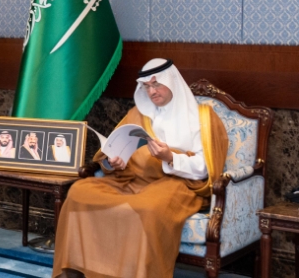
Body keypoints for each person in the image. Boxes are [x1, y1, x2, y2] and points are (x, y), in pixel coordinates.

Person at [52, 59, 228, 278]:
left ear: (172, 81)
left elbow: (205, 168)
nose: (152, 91)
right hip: (131, 179)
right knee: (79, 192)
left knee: (145, 208)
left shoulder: (202, 118)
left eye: (157, 84)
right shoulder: (138, 114)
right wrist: (113, 162)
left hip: (176, 185)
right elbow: (111, 154)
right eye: (147, 87)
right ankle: (77, 272)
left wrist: (170, 157)